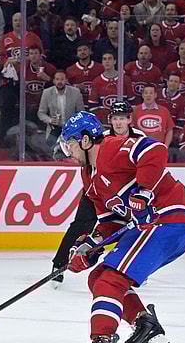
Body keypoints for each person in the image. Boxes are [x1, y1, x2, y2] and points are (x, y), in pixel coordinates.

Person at [55, 110, 185, 343]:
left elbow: (155, 150)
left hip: (165, 220)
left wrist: (143, 190)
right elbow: (111, 222)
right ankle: (145, 327)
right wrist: (90, 245)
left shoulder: (111, 148)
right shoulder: (89, 176)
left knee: (110, 280)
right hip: (151, 226)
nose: (68, 152)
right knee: (98, 277)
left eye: (70, 144)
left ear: (85, 141)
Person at [48, 102, 142, 287]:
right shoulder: (101, 139)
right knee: (81, 224)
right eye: (115, 118)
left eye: (122, 118)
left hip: (121, 194)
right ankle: (60, 263)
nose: (118, 122)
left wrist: (143, 192)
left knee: (128, 226)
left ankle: (131, 264)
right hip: (98, 189)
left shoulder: (138, 139)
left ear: (129, 119)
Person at [38, 70, 84, 149]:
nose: (60, 81)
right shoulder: (46, 93)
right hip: (54, 128)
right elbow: (41, 113)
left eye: (62, 79)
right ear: (54, 81)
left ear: (66, 80)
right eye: (57, 79)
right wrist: (50, 120)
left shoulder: (76, 92)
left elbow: (81, 113)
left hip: (71, 129)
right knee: (50, 152)